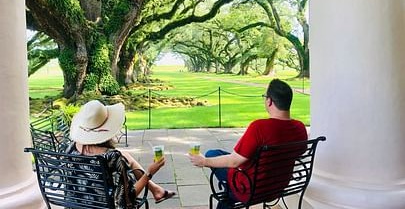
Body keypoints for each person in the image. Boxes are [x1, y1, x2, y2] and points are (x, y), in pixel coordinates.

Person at [188, 79, 308, 208]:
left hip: (252, 189)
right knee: (215, 154)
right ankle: (229, 191)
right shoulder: (300, 127)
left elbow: (234, 162)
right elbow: (298, 153)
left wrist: (203, 162)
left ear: (269, 101)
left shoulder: (259, 127)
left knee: (211, 157)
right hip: (277, 186)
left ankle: (229, 190)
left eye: (265, 96)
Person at [68, 100, 176, 208]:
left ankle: (156, 190)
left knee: (126, 156)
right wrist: (149, 173)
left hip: (78, 205)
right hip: (106, 206)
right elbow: (125, 199)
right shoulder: (112, 158)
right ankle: (156, 189)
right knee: (124, 159)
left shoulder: (71, 149)